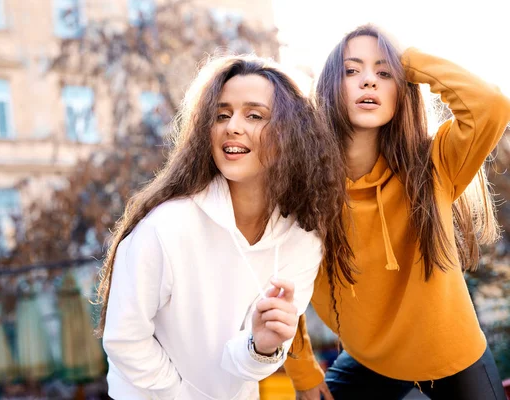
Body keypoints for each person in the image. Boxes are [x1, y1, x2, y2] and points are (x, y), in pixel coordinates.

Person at [97, 54, 355, 400]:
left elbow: (244, 364)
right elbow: (125, 339)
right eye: (222, 114)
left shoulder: (302, 242)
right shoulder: (166, 226)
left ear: (290, 135)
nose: (232, 126)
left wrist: (261, 346)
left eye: (254, 115)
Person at [284, 24, 510, 400]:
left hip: (454, 355)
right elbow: (280, 282)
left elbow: (491, 106)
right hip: (371, 362)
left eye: (383, 72)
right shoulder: (303, 186)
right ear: (328, 88)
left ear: (401, 88)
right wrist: (304, 372)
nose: (368, 81)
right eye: (351, 70)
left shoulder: (434, 163)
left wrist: (408, 58)